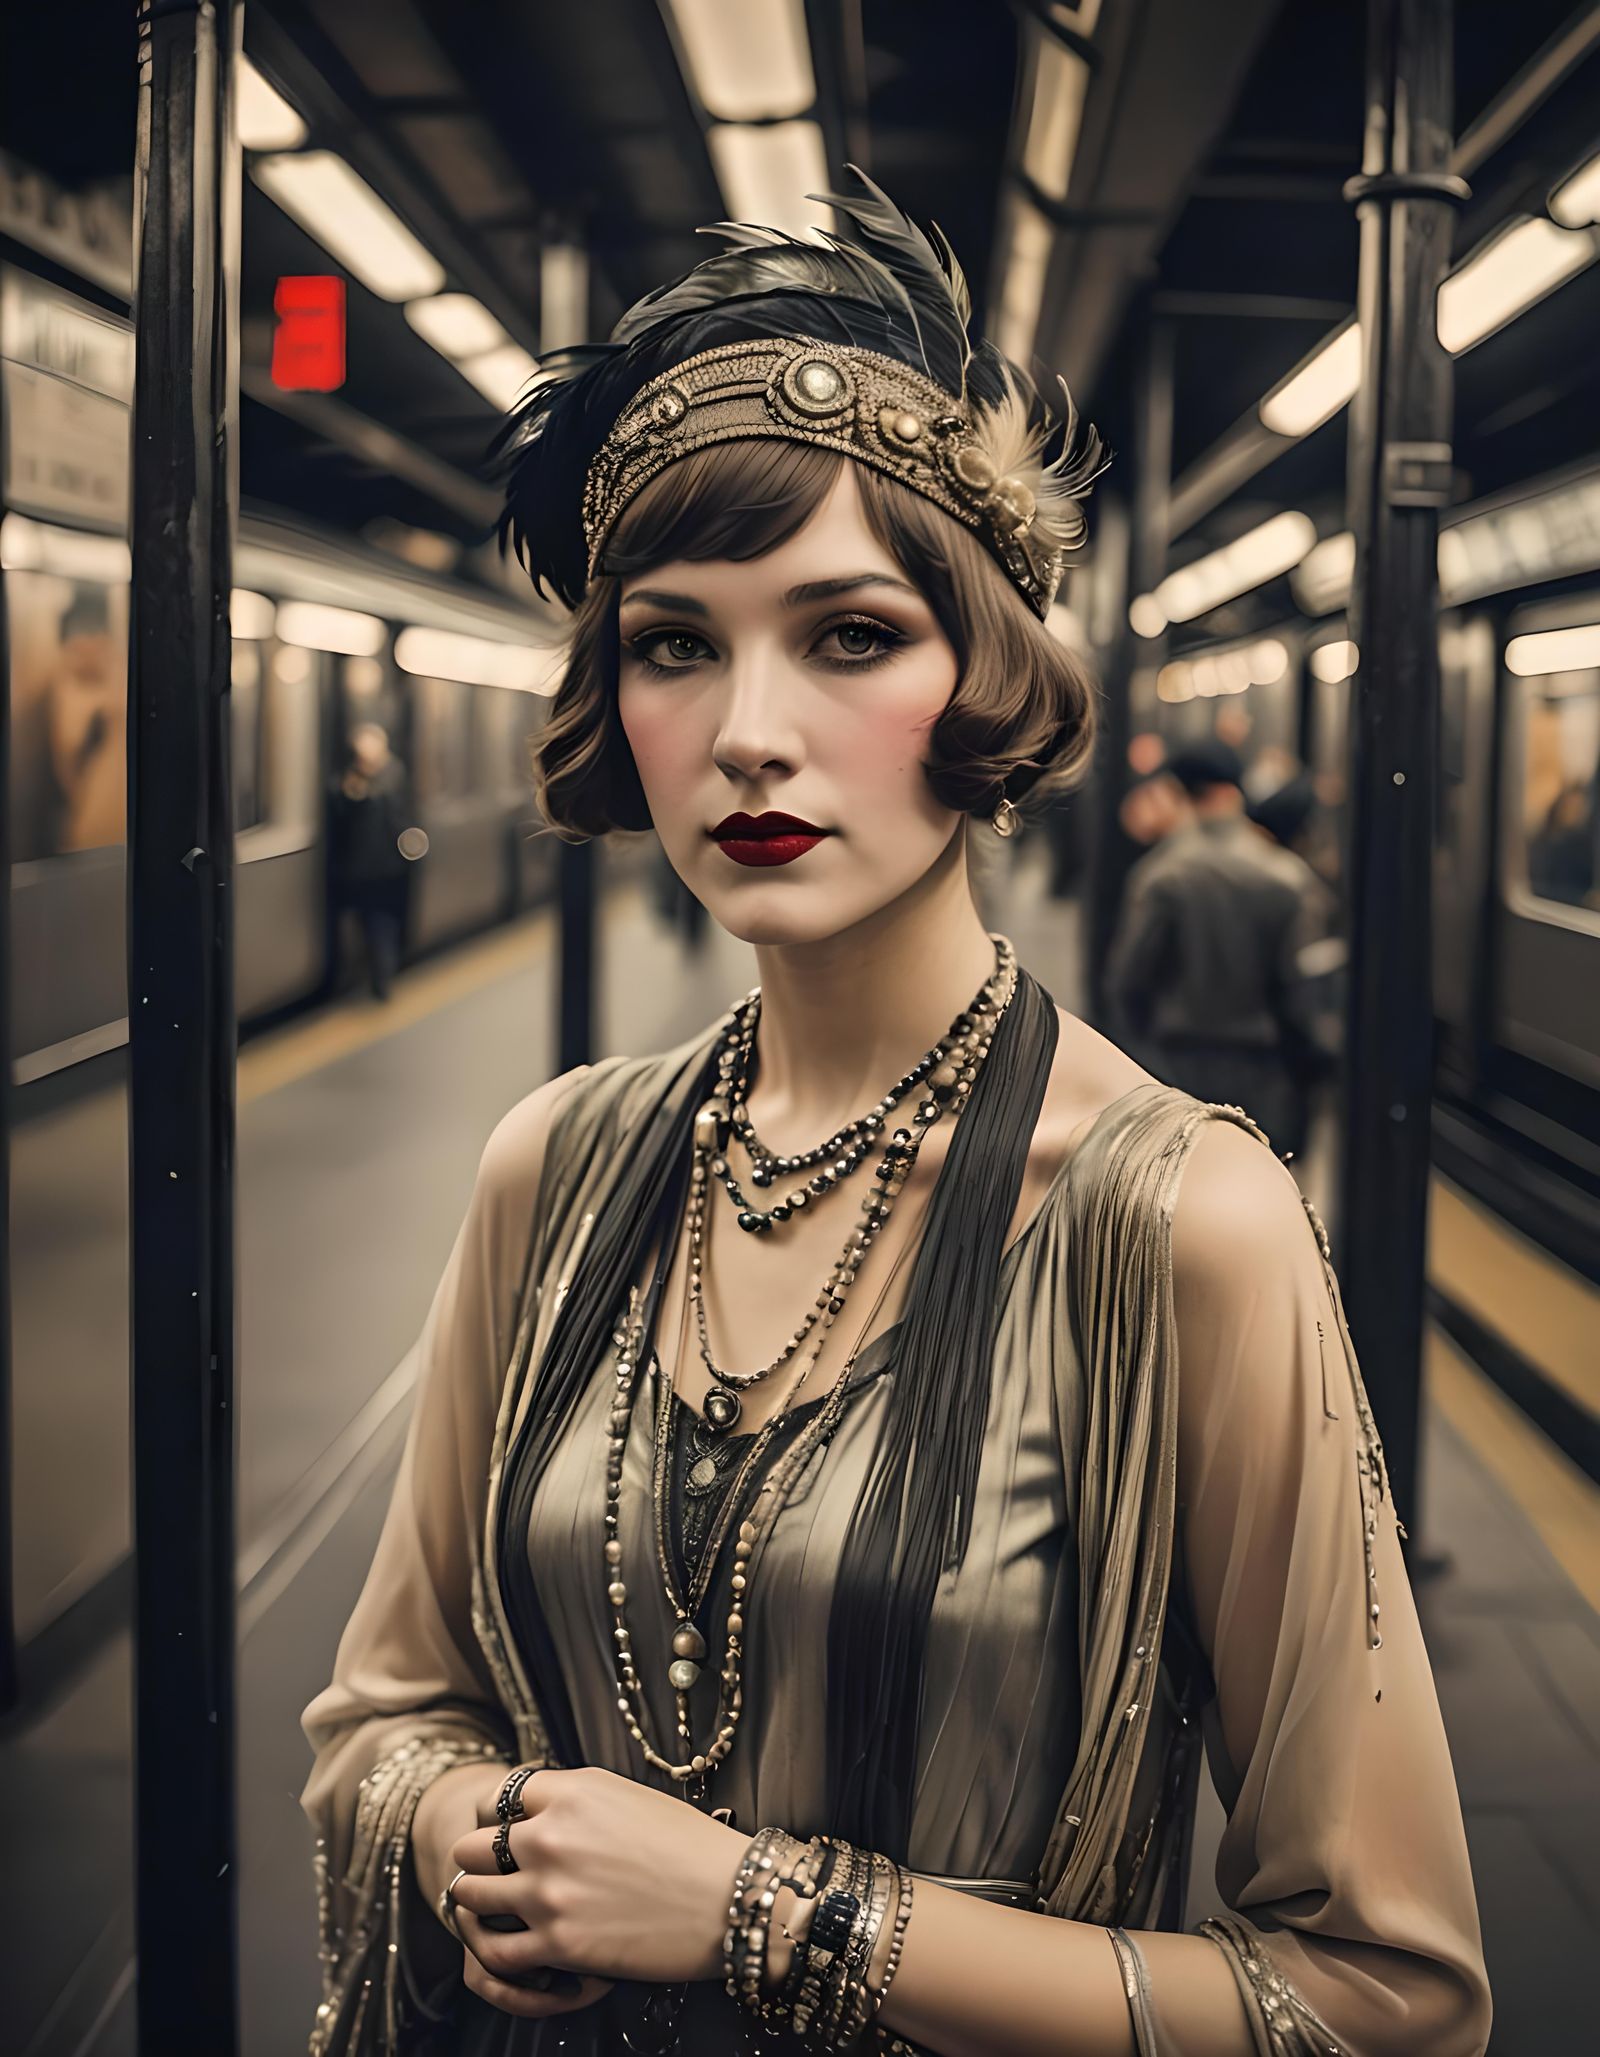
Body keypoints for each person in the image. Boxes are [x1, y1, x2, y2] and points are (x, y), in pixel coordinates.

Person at [302, 174, 1488, 2057]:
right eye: (675, 643)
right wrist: (471, 1830)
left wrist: (754, 1911)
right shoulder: (560, 1166)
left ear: (980, 676)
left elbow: (1381, 1993)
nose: (747, 729)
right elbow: (384, 1716)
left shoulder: (1177, 1222)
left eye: (848, 633)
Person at [1105, 741, 1328, 1161]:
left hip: (1174, 1072)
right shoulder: (1288, 878)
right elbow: (1300, 1001)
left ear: (1181, 793)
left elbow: (1125, 984)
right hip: (1264, 1077)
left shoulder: (1159, 876)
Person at [328, 722, 416, 1000]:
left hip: (385, 869)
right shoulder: (347, 780)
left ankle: (381, 980)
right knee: (359, 925)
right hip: (356, 870)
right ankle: (357, 978)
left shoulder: (393, 776)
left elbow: (398, 818)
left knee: (381, 925)